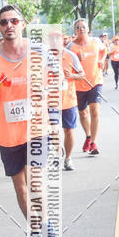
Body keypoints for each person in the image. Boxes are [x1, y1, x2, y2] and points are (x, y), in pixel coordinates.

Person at [0, 4, 51, 237]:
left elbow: (57, 81)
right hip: (8, 134)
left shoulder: (39, 52)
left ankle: (40, 224)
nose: (8, 25)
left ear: (22, 23)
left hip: (37, 128)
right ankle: (36, 228)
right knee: (20, 187)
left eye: (13, 21)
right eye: (4, 22)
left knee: (35, 181)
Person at [47, 30, 84, 171]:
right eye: (52, 39)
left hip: (68, 101)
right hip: (51, 101)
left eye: (58, 39)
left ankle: (68, 159)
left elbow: (82, 74)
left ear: (63, 40)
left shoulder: (71, 56)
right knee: (53, 131)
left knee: (69, 130)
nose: (55, 42)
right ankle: (58, 150)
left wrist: (72, 76)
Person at [67, 19, 105, 155]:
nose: (81, 29)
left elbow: (104, 50)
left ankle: (94, 143)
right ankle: (88, 136)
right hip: (78, 84)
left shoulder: (96, 42)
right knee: (83, 113)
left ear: (88, 28)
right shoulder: (71, 47)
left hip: (95, 81)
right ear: (75, 30)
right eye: (78, 27)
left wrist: (101, 60)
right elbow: (66, 63)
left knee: (95, 111)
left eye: (83, 27)